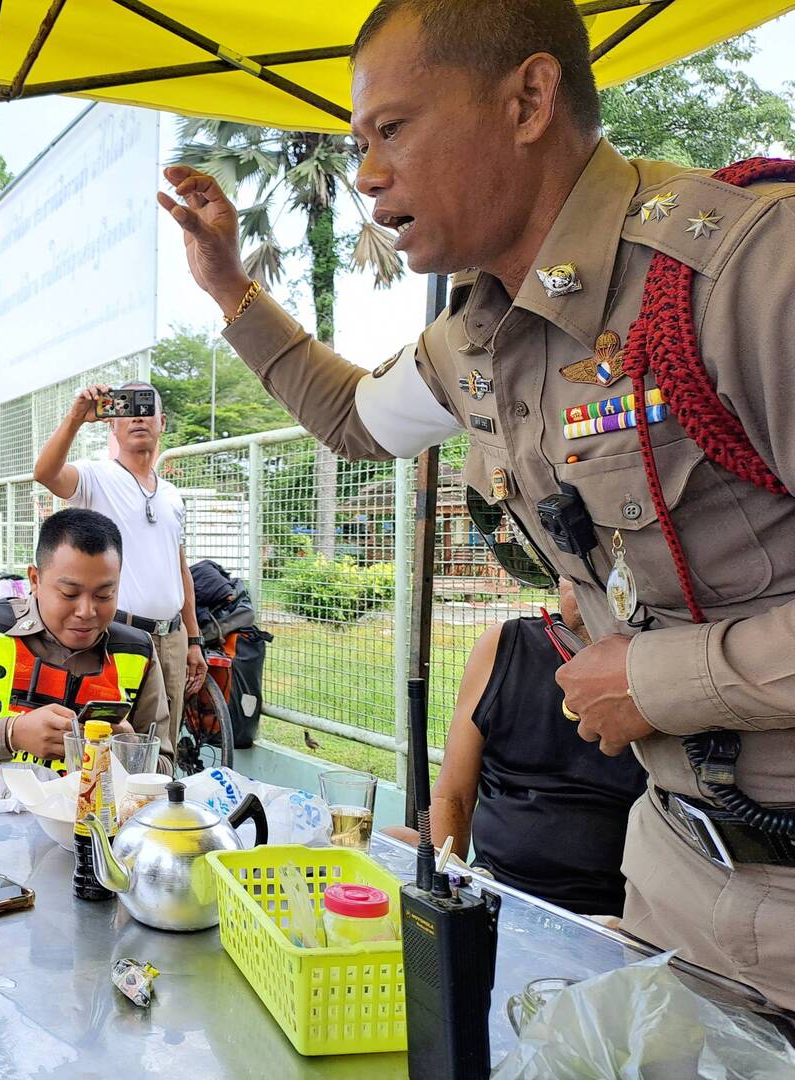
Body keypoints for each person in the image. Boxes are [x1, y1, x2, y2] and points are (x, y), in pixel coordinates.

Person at [159, 0, 795, 1005]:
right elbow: (356, 417)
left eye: (393, 129)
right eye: (359, 142)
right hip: (673, 883)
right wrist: (229, 284)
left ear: (530, 99)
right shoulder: (480, 339)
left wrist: (665, 681)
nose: (367, 173)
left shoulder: (741, 273)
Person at [384, 579, 646, 916]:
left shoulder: (667, 680)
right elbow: (453, 797)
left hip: (612, 920)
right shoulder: (501, 646)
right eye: (572, 574)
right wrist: (443, 885)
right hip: (491, 892)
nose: (591, 589)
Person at [0, 507, 172, 781]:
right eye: (69, 593)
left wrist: (128, 750)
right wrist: (11, 733)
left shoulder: (137, 652)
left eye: (105, 595)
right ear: (35, 580)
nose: (86, 611)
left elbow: (166, 768)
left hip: (93, 823)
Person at [34, 382, 206, 732]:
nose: (138, 418)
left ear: (163, 421)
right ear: (112, 422)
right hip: (118, 635)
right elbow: (46, 474)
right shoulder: (96, 476)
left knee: (162, 740)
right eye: (126, 409)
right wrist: (76, 418)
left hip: (171, 638)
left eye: (147, 408)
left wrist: (193, 639)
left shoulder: (172, 495)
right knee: (110, 738)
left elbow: (179, 568)